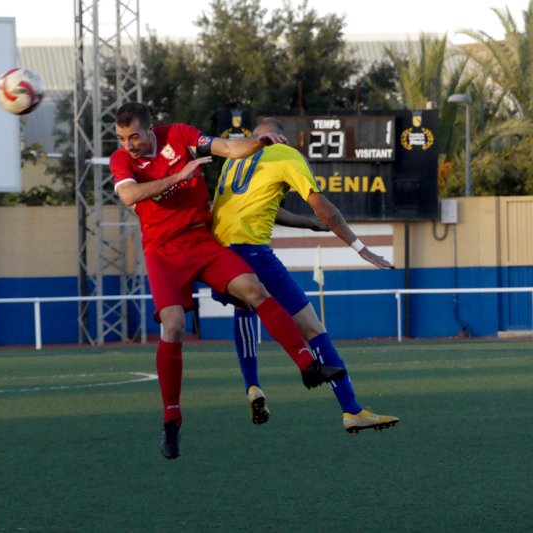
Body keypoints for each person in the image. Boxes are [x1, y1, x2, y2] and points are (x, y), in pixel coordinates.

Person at [110, 102, 331, 459]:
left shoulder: (179, 135)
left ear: (151, 129)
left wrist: (261, 143)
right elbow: (129, 194)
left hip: (201, 240)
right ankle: (172, 419)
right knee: (174, 326)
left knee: (254, 290)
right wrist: (178, 177)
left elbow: (229, 148)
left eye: (134, 136)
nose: (128, 144)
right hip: (162, 251)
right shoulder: (121, 161)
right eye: (122, 138)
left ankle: (307, 365)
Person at [211, 117, 399, 434]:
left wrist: (307, 224)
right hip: (253, 252)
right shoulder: (286, 154)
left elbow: (261, 204)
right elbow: (323, 206)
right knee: (312, 328)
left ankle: (253, 386)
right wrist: (360, 247)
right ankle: (352, 410)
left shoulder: (235, 157)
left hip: (220, 254)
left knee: (245, 308)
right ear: (279, 137)